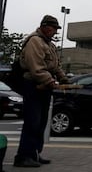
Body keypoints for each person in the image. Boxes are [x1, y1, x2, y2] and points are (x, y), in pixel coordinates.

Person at [14, 15, 70, 167]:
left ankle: (35, 153)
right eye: (53, 29)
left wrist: (63, 78)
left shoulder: (48, 44)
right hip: (33, 85)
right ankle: (23, 156)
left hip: (44, 87)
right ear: (45, 27)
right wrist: (49, 81)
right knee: (32, 121)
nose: (54, 32)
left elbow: (56, 65)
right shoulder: (35, 41)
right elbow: (36, 67)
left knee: (41, 123)